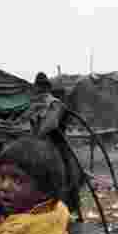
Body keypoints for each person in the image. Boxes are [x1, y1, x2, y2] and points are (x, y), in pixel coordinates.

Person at [32, 72, 84, 218]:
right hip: (41, 145)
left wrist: (36, 136)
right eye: (38, 88)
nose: (39, 91)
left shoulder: (54, 104)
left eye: (41, 88)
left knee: (67, 179)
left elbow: (51, 124)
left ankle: (66, 212)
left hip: (57, 145)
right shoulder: (36, 105)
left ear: (45, 88)